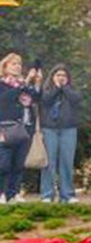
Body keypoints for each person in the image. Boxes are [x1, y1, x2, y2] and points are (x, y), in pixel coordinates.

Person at [0, 53, 42, 204]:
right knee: (4, 163)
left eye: (19, 64)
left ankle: (14, 192)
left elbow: (37, 98)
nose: (17, 66)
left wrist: (36, 83)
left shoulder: (24, 85)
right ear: (5, 67)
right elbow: (5, 99)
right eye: (13, 64)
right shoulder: (3, 84)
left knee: (19, 163)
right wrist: (25, 83)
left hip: (25, 128)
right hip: (6, 127)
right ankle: (2, 193)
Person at [39, 64, 81, 204]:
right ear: (52, 77)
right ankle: (47, 194)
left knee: (66, 162)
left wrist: (64, 88)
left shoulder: (72, 91)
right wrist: (57, 88)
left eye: (64, 75)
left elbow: (76, 100)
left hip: (68, 129)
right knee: (48, 163)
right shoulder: (46, 90)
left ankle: (67, 195)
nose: (61, 78)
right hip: (49, 129)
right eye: (58, 75)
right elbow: (45, 100)